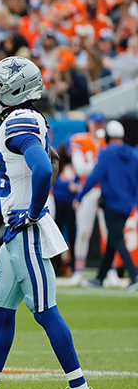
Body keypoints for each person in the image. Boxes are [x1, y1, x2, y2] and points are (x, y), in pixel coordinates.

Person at [0, 56, 99, 389]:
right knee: (1, 313)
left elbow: (45, 168)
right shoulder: (25, 119)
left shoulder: (18, 120)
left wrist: (32, 211)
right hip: (14, 233)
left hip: (25, 229)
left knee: (46, 311)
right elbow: (50, 161)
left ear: (18, 89)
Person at [74, 120, 138, 291]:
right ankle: (100, 278)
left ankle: (134, 274)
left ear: (108, 136)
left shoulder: (106, 152)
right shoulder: (133, 154)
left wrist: (80, 196)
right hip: (128, 204)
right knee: (112, 239)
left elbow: (94, 176)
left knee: (116, 238)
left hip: (111, 202)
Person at [67, 110, 106, 286]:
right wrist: (101, 167)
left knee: (108, 232)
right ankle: (79, 271)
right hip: (87, 189)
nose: (98, 125)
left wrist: (97, 167)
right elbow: (80, 168)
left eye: (100, 122)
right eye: (95, 121)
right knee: (83, 231)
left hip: (105, 189)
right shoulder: (79, 139)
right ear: (89, 122)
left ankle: (110, 271)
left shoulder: (107, 140)